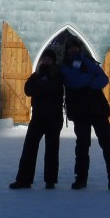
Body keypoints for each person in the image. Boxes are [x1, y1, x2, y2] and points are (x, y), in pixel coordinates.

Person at [61, 39, 110, 192]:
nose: (73, 49)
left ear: (79, 48)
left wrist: (87, 79)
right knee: (82, 145)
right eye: (70, 47)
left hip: (98, 109)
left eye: (75, 46)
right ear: (67, 50)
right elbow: (74, 82)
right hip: (80, 111)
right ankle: (81, 178)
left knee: (108, 145)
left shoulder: (88, 61)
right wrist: (91, 77)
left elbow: (104, 79)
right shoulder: (64, 66)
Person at [9, 49, 65, 189]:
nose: (45, 61)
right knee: (29, 147)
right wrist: (42, 86)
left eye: (48, 59)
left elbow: (53, 89)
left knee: (52, 149)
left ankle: (50, 181)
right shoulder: (36, 75)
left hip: (54, 118)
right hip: (38, 117)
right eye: (44, 59)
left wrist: (40, 87)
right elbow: (28, 90)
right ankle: (24, 180)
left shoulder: (58, 74)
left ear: (53, 61)